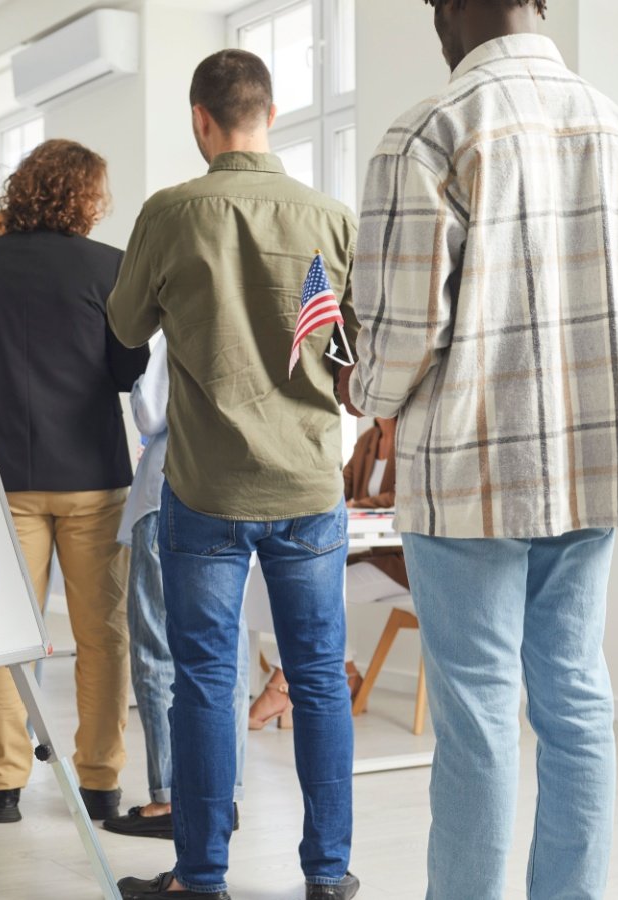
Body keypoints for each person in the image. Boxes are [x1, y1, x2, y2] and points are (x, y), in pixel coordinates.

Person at [341, 2, 618, 897]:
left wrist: (359, 388)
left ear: (448, 10)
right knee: (576, 700)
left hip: (472, 467)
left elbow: (402, 338)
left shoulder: (430, 132)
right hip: (595, 461)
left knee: (480, 715)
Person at [109, 49, 361, 900]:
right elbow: (358, 348)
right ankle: (328, 874)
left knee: (205, 682)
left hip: (207, 488)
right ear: (273, 113)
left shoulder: (171, 212)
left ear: (199, 120)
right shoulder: (330, 216)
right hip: (309, 486)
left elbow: (124, 325)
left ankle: (203, 877)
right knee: (320, 680)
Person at [0, 139, 148, 825]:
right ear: (87, 197)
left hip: (2, 476)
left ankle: (1, 784)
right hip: (92, 475)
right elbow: (128, 373)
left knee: (8, 635)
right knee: (102, 634)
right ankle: (99, 783)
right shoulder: (109, 268)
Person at [102, 335, 251, 840]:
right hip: (239, 493)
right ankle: (222, 796)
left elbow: (149, 415)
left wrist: (143, 376)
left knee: (159, 649)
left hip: (172, 490)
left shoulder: (182, 322)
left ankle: (169, 797)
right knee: (228, 649)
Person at [248, 416, 408, 730]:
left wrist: (357, 504)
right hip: (372, 555)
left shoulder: (410, 433)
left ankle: (282, 682)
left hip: (403, 563)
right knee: (300, 580)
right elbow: (340, 483)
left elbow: (404, 494)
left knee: (325, 589)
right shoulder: (369, 440)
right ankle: (347, 673)